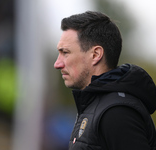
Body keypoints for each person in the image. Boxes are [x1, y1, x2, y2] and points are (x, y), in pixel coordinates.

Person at [54, 11, 156, 150]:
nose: (57, 64)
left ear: (95, 55)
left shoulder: (117, 113)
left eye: (65, 53)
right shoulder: (93, 106)